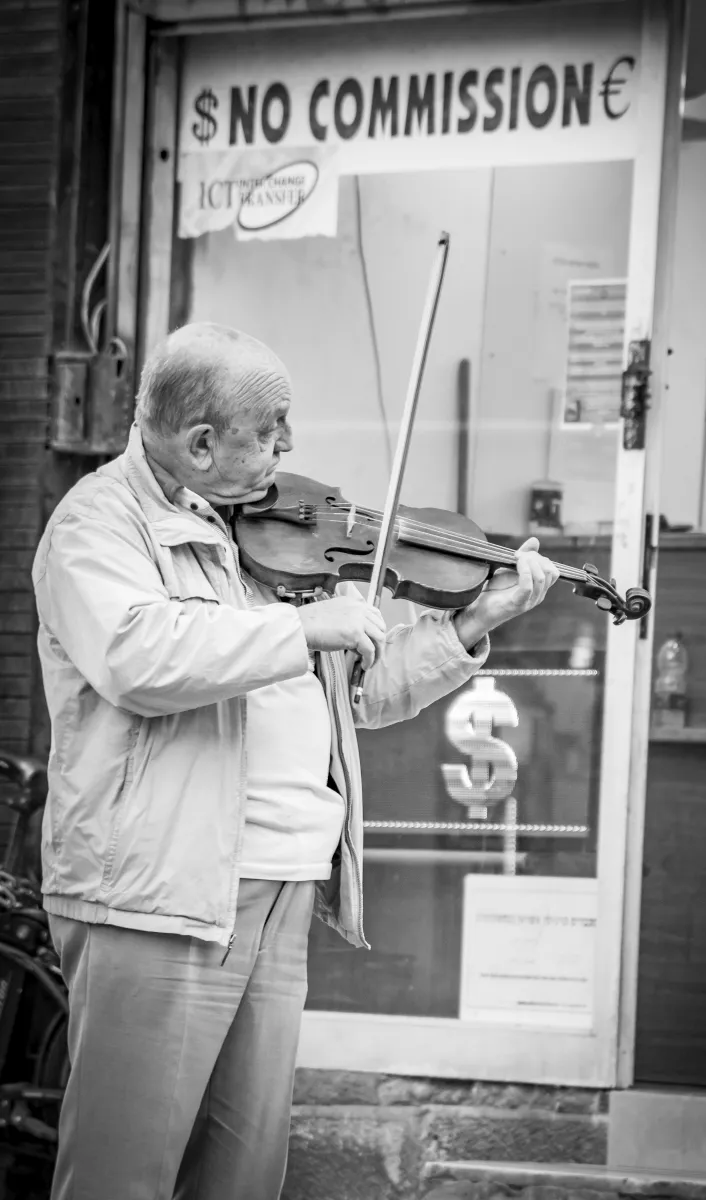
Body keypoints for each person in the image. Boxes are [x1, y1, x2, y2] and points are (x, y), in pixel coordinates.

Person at [32, 322, 559, 1200]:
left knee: (244, 1172)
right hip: (161, 898)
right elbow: (139, 657)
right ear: (200, 443)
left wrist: (472, 623)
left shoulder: (276, 536)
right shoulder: (97, 523)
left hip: (279, 886)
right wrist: (302, 625)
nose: (290, 447)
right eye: (271, 429)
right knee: (123, 1173)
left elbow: (358, 693)